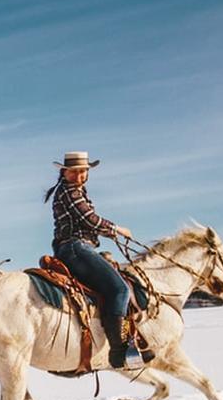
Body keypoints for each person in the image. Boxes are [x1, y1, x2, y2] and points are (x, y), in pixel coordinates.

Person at [44, 152, 149, 368]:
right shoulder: (70, 192)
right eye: (75, 171)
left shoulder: (72, 191)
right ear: (65, 172)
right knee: (120, 289)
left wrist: (106, 233)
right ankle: (118, 349)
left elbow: (84, 223)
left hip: (74, 247)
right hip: (76, 248)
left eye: (83, 171)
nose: (80, 175)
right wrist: (116, 229)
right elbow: (88, 219)